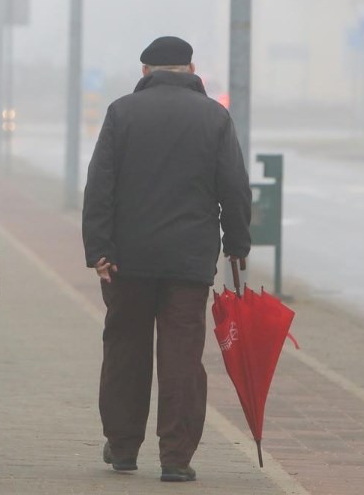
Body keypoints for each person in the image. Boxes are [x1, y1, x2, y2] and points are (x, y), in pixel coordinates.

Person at [83, 36, 252, 483]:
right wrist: (237, 243)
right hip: (188, 262)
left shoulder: (122, 113)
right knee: (182, 357)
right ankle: (176, 456)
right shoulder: (214, 117)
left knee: (125, 350)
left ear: (145, 72)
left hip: (127, 260)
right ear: (192, 70)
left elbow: (100, 184)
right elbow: (234, 186)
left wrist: (99, 249)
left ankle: (123, 447)